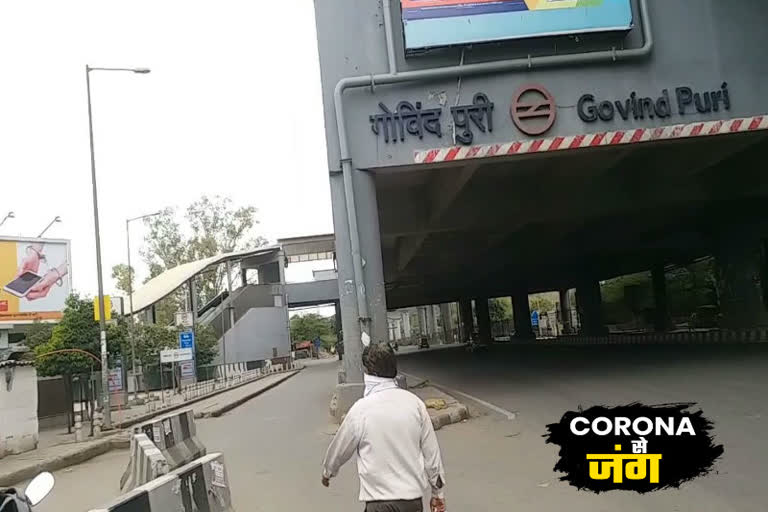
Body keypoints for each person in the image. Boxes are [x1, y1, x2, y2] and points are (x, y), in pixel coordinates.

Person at [321, 343, 446, 512]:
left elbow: (340, 448)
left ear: (367, 372)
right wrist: (437, 493)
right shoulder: (415, 404)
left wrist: (328, 472)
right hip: (412, 503)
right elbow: (432, 453)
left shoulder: (361, 410)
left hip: (378, 503)